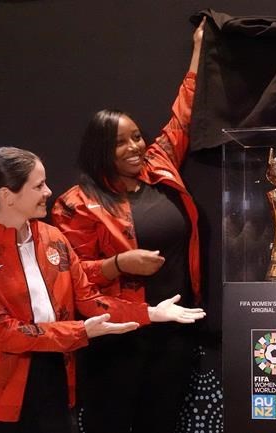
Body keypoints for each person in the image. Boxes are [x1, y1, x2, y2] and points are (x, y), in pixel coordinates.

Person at [0, 147, 206, 433]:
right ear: (7, 196)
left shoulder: (52, 238)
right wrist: (80, 332)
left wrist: (152, 312)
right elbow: (4, 333)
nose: (49, 191)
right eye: (38, 185)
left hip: (54, 374)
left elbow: (89, 299)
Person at [51, 19, 205, 433]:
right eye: (122, 142)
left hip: (172, 330)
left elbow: (183, 114)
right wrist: (118, 264)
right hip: (118, 336)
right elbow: (68, 276)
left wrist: (198, 51)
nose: (135, 147)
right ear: (101, 149)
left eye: (137, 137)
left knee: (161, 421)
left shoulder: (158, 166)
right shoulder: (76, 204)